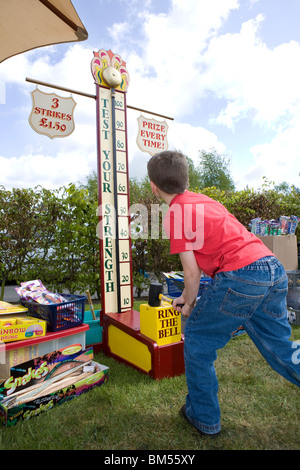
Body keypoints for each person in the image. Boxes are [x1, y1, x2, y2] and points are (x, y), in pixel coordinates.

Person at [147, 150, 300, 437]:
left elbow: (191, 273)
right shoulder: (206, 201)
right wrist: (191, 298)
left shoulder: (175, 214)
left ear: (153, 186)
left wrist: (189, 302)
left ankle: (204, 418)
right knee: (279, 345)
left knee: (198, 338)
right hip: (272, 268)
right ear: (186, 181)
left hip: (243, 276)